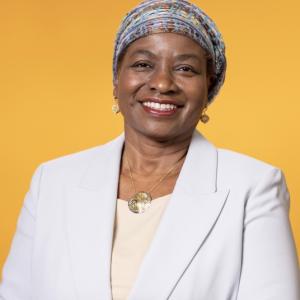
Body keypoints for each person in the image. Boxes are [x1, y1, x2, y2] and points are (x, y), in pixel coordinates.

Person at [0, 0, 299, 299]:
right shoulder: (51, 182)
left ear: (208, 87)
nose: (162, 83)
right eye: (143, 64)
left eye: (185, 68)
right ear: (117, 80)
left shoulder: (254, 187)